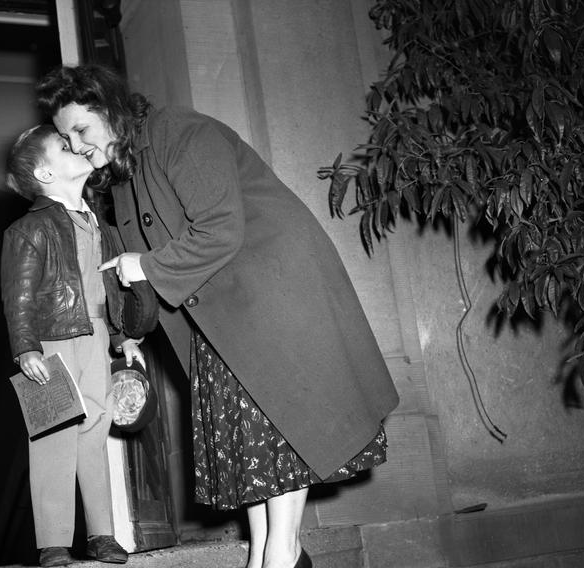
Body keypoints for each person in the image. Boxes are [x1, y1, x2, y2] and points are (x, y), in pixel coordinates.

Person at [37, 64, 401, 568]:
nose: (75, 146)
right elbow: (121, 264)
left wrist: (145, 265)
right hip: (217, 313)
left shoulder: (181, 132)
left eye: (81, 130)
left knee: (278, 426)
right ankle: (266, 555)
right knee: (249, 442)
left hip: (272, 295)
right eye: (63, 137)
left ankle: (283, 551)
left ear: (111, 109)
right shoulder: (120, 178)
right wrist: (125, 334)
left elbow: (220, 230)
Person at [1, 124, 141, 566]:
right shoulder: (30, 228)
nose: (76, 147)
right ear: (44, 174)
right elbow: (18, 294)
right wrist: (26, 347)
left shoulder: (96, 220)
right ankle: (54, 541)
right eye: (64, 146)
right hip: (52, 342)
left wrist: (123, 337)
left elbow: (109, 287)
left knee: (95, 433)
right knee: (53, 436)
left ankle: (102, 534)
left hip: (96, 337)